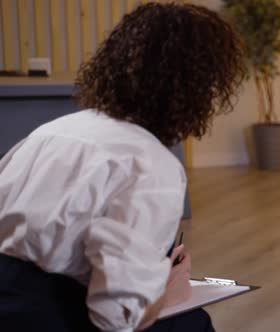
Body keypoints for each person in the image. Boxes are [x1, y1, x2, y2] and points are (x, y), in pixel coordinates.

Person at [0, 3, 245, 332]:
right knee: (194, 323)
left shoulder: (52, 131)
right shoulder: (152, 167)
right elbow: (116, 319)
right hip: (41, 315)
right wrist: (165, 292)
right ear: (199, 92)